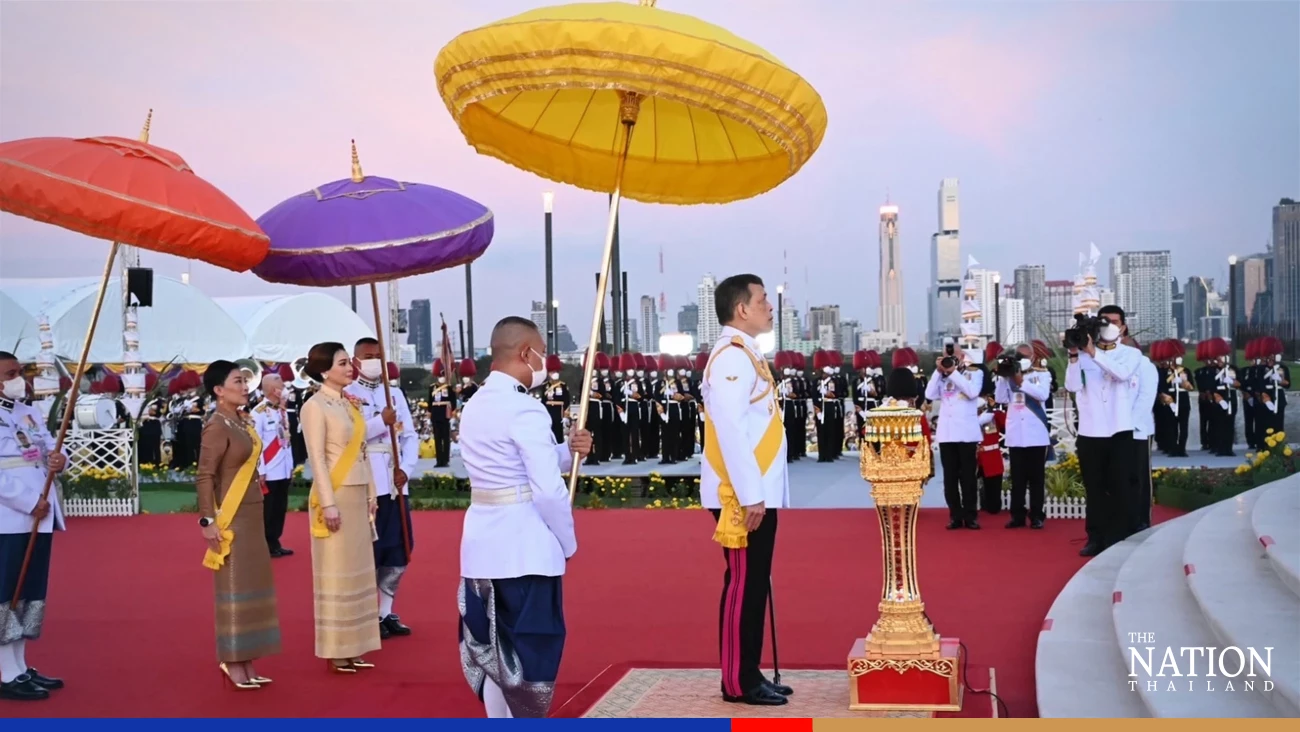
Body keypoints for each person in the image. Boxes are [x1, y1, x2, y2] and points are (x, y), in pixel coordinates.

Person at [457, 317, 592, 718]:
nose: (544, 362)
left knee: (491, 648)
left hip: (482, 541)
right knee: (530, 652)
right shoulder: (524, 408)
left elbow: (511, 464)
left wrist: (568, 451)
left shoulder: (476, 403)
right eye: (542, 353)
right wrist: (566, 540)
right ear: (525, 353)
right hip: (524, 545)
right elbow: (547, 489)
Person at [700, 274, 792, 707]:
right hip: (740, 496)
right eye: (762, 300)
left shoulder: (747, 352)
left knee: (755, 584)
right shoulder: (731, 357)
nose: (770, 307)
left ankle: (750, 672)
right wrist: (751, 493)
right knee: (743, 584)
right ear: (741, 309)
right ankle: (738, 680)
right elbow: (732, 431)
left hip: (755, 492)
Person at [196, 360, 282, 689]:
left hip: (253, 512)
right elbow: (205, 475)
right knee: (233, 587)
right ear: (219, 390)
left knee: (252, 585)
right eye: (237, 381)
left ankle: (247, 658)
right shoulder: (217, 426)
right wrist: (207, 520)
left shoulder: (241, 421)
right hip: (230, 516)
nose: (245, 387)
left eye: (246, 381)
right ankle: (231, 659)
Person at [300, 341, 382, 672]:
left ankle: (355, 645)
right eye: (343, 363)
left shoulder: (349, 404)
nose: (351, 368)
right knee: (336, 572)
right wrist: (329, 504)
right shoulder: (314, 406)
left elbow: (363, 451)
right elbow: (317, 458)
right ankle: (336, 649)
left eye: (350, 362)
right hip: (334, 495)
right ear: (324, 371)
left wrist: (371, 493)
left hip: (357, 491)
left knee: (358, 571)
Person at [0, 352, 67, 701]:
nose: (19, 380)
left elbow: (48, 448)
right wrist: (28, 501)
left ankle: (21, 666)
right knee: (6, 594)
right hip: (9, 517)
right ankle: (7, 672)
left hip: (40, 515)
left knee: (29, 593)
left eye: (19, 372)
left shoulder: (28, 412)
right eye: (10, 374)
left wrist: (59, 459)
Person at [346, 339, 419, 640]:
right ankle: (365, 614)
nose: (374, 360)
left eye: (378, 356)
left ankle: (385, 612)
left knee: (398, 548)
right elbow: (350, 436)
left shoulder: (396, 393)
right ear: (356, 360)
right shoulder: (348, 393)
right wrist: (380, 422)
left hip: (395, 480)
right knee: (371, 551)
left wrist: (406, 469)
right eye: (368, 356)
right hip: (368, 481)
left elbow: (410, 435)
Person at [1065, 305, 1142, 556]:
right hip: (1091, 430)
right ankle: (1095, 537)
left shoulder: (1130, 354)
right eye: (1103, 321)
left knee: (1119, 485)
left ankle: (1117, 537)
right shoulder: (1084, 355)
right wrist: (1074, 356)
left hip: (1119, 429)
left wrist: (1093, 352)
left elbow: (1121, 374)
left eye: (1113, 321)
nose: (1108, 325)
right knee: (1094, 487)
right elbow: (1072, 386)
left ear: (1123, 327)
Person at [926, 346, 984, 530]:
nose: (949, 359)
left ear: (962, 356)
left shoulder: (974, 373)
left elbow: (972, 392)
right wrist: (938, 372)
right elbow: (929, 394)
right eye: (946, 356)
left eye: (953, 356)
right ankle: (955, 515)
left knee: (968, 477)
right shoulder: (941, 377)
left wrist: (953, 372)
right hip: (947, 433)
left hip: (966, 433)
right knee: (950, 478)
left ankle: (970, 516)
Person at [995, 345, 1052, 529]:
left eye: (1025, 355)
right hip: (1016, 434)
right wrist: (1003, 377)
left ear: (1033, 356)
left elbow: (1043, 395)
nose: (1021, 359)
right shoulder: (1008, 377)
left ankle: (1036, 516)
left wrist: (1021, 382)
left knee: (1036, 479)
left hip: (1036, 434)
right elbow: (1000, 399)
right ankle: (1017, 515)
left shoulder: (1042, 374)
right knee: (1017, 479)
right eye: (1018, 356)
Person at [253, 373, 294, 558]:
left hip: (282, 468)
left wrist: (290, 466)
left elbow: (286, 440)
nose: (284, 389)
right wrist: (260, 470)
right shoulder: (259, 412)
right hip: (269, 470)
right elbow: (257, 444)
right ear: (272, 389)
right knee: (268, 510)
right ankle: (264, 544)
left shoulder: (282, 410)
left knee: (279, 508)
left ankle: (275, 541)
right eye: (281, 386)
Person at [1126, 338, 1158, 534]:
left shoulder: (1145, 367)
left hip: (1139, 430)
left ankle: (1142, 519)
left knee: (1140, 476)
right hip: (1118, 430)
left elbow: (1146, 397)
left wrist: (1131, 423)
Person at [428, 359, 457, 468]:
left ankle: (445, 460)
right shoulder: (432, 387)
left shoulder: (449, 388)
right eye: (440, 376)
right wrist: (430, 412)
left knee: (445, 438)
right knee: (437, 439)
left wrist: (450, 410)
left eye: (443, 375)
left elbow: (453, 401)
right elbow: (430, 402)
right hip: (436, 415)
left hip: (445, 415)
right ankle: (439, 460)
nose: (442, 377)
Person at [542, 356, 568, 444]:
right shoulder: (545, 386)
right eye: (553, 372)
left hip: (559, 411)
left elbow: (566, 401)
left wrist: (566, 416)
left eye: (556, 371)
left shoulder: (563, 385)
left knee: (559, 435)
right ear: (549, 373)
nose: (555, 373)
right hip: (549, 411)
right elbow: (543, 401)